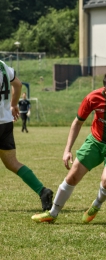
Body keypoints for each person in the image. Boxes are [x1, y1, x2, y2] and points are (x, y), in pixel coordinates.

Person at [31, 72, 106, 224]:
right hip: (95, 142)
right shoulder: (92, 98)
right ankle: (52, 213)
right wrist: (67, 150)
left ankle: (96, 205)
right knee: (72, 176)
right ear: (105, 90)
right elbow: (78, 122)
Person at [0, 60, 53, 211]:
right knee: (12, 163)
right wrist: (13, 104)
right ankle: (43, 191)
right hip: (5, 122)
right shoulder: (2, 65)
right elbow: (17, 84)